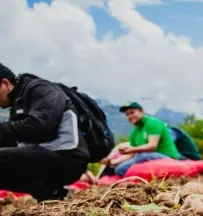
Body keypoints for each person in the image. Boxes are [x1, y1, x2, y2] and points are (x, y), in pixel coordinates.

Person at [0, 63, 90, 200]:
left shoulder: (42, 89)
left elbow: (39, 125)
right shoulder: (18, 103)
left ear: (5, 83)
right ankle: (53, 195)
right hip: (44, 156)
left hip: (68, 157)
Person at [101, 102, 181, 176]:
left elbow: (152, 146)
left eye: (132, 112)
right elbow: (130, 154)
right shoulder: (134, 132)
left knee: (141, 155)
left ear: (141, 111)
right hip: (145, 157)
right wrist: (112, 162)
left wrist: (132, 149)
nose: (130, 116)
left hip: (166, 156)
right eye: (127, 114)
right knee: (119, 169)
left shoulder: (153, 123)